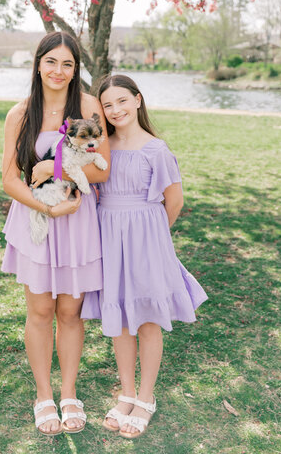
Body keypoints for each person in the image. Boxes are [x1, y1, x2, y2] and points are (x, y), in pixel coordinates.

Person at [81, 74, 207, 439]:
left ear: (138, 100)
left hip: (148, 241)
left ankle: (146, 398)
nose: (116, 109)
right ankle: (127, 393)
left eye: (122, 100)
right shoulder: (101, 149)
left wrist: (153, 239)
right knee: (120, 317)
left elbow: (175, 201)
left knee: (148, 319)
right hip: (110, 239)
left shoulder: (156, 149)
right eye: (107, 104)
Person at [1, 32, 110, 436]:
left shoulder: (88, 107)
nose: (59, 71)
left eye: (67, 64)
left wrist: (54, 170)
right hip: (38, 218)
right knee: (41, 312)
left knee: (70, 312)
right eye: (51, 62)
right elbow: (10, 179)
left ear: (75, 68)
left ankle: (69, 393)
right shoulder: (20, 114)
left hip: (79, 221)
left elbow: (103, 169)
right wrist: (46, 205)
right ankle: (43, 395)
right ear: (38, 64)